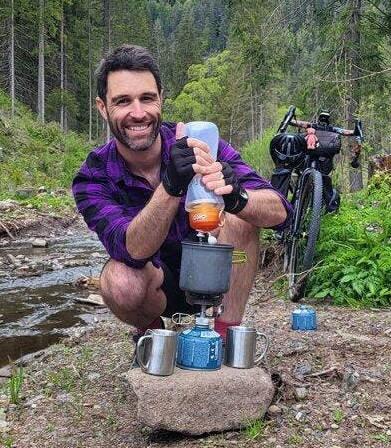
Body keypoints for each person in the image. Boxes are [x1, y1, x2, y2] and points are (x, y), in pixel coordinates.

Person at [72, 44, 291, 349]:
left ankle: (225, 335)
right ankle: (153, 336)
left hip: (214, 272)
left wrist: (237, 197)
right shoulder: (94, 177)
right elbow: (131, 250)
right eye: (123, 101)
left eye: (147, 98)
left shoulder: (201, 143)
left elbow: (281, 212)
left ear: (160, 98)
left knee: (242, 220)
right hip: (155, 284)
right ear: (102, 107)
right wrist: (171, 186)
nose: (138, 113)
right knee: (119, 281)